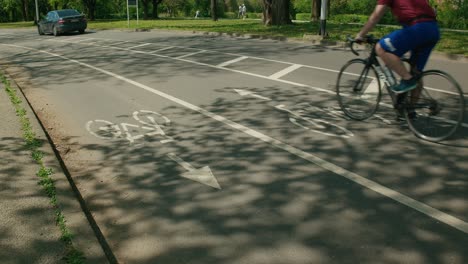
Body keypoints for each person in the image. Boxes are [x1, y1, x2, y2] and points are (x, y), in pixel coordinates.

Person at [356, 0, 439, 94]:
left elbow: (375, 16)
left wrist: (361, 35)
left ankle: (407, 80)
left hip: (417, 29)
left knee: (380, 47)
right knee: (416, 73)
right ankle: (410, 107)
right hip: (433, 29)